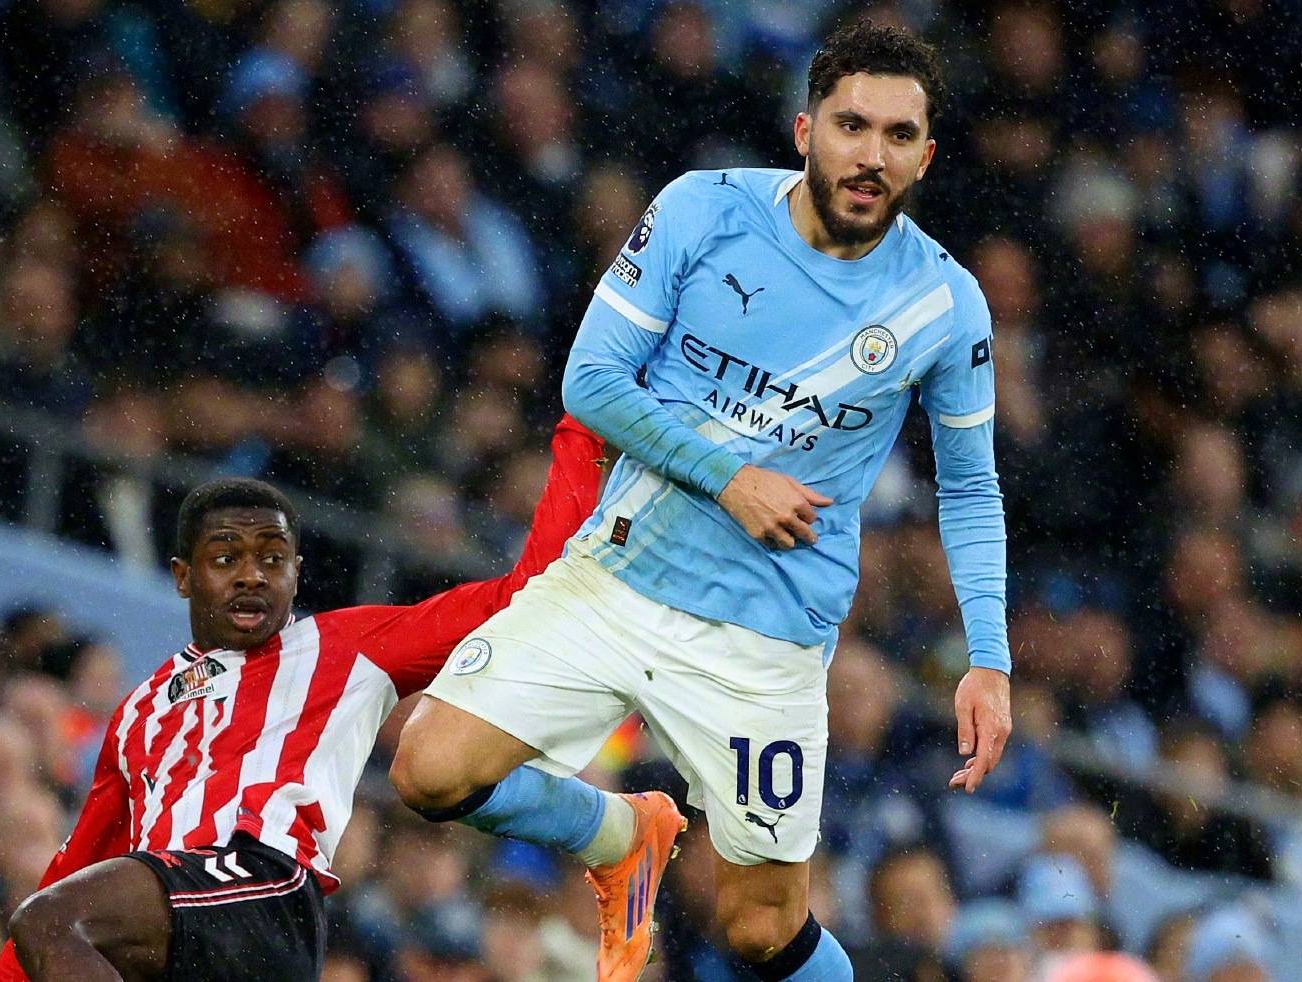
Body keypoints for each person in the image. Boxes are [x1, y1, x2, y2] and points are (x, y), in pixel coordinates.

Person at [389, 20, 1011, 982]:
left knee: (759, 929)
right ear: (805, 131)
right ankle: (618, 832)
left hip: (765, 641)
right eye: (851, 125)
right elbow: (592, 381)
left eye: (898, 136)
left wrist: (989, 659)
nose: (871, 155)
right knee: (427, 768)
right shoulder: (702, 209)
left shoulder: (944, 303)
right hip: (613, 580)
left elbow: (970, 487)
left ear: (924, 157)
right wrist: (729, 476)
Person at [0, 416, 604, 981]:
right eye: (226, 557)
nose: (252, 575)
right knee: (51, 921)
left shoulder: (342, 647)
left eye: (272, 559)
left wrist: (583, 429)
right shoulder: (139, 708)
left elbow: (523, 592)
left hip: (263, 889)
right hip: (177, 930)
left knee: (51, 921)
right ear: (183, 576)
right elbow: (79, 863)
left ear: (296, 573)